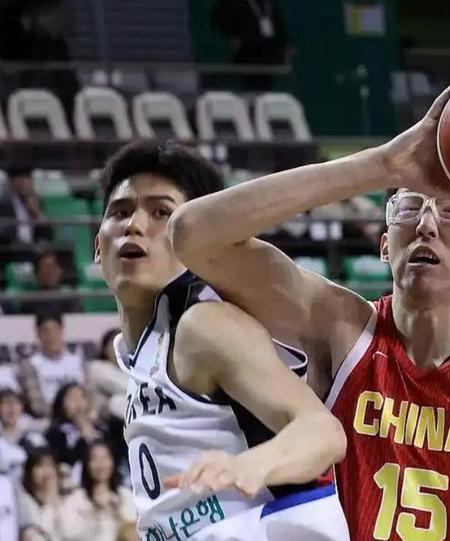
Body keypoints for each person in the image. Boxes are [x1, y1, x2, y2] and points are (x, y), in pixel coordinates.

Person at [169, 82, 450, 539]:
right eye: (408, 208)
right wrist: (382, 164)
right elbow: (192, 236)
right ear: (385, 244)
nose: (426, 224)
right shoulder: (342, 329)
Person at [95, 140, 349, 540]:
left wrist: (253, 465)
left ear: (193, 242)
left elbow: (324, 432)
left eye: (161, 212)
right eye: (120, 212)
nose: (134, 225)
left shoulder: (204, 326)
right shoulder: (140, 350)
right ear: (98, 246)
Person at [61, 440, 136, 541]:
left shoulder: (125, 495)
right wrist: (93, 514)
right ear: (87, 464)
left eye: (105, 457)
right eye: (94, 458)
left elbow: (133, 529)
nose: (101, 464)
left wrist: (117, 512)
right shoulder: (75, 499)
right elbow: (69, 534)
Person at [18, 313, 86, 418]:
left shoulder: (77, 361)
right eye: (46, 331)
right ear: (38, 333)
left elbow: (88, 394)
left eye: (55, 330)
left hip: (79, 417)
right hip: (47, 418)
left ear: (62, 331)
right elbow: (36, 405)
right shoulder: (30, 365)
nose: (51, 336)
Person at [45, 383, 105, 469]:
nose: (78, 403)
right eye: (72, 398)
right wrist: (82, 436)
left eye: (81, 397)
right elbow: (63, 462)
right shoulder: (55, 433)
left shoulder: (100, 430)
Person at [17, 448, 66, 541]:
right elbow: (43, 534)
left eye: (50, 465)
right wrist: (49, 504)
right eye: (40, 465)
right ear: (30, 470)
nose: (46, 471)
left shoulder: (67, 498)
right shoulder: (24, 502)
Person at [16, 250, 82, 315]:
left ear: (60, 271)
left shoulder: (70, 298)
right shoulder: (29, 302)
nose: (49, 274)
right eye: (45, 269)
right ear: (37, 274)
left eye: (51, 268)